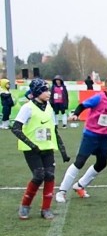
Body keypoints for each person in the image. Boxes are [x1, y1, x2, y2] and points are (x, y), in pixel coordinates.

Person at [10, 79, 71, 220]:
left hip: (47, 147)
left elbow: (54, 131)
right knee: (38, 176)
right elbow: (16, 129)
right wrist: (32, 145)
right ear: (37, 92)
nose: (48, 93)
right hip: (32, 149)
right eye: (45, 90)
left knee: (49, 175)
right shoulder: (28, 108)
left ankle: (46, 209)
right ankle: (25, 206)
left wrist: (63, 152)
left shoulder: (49, 107)